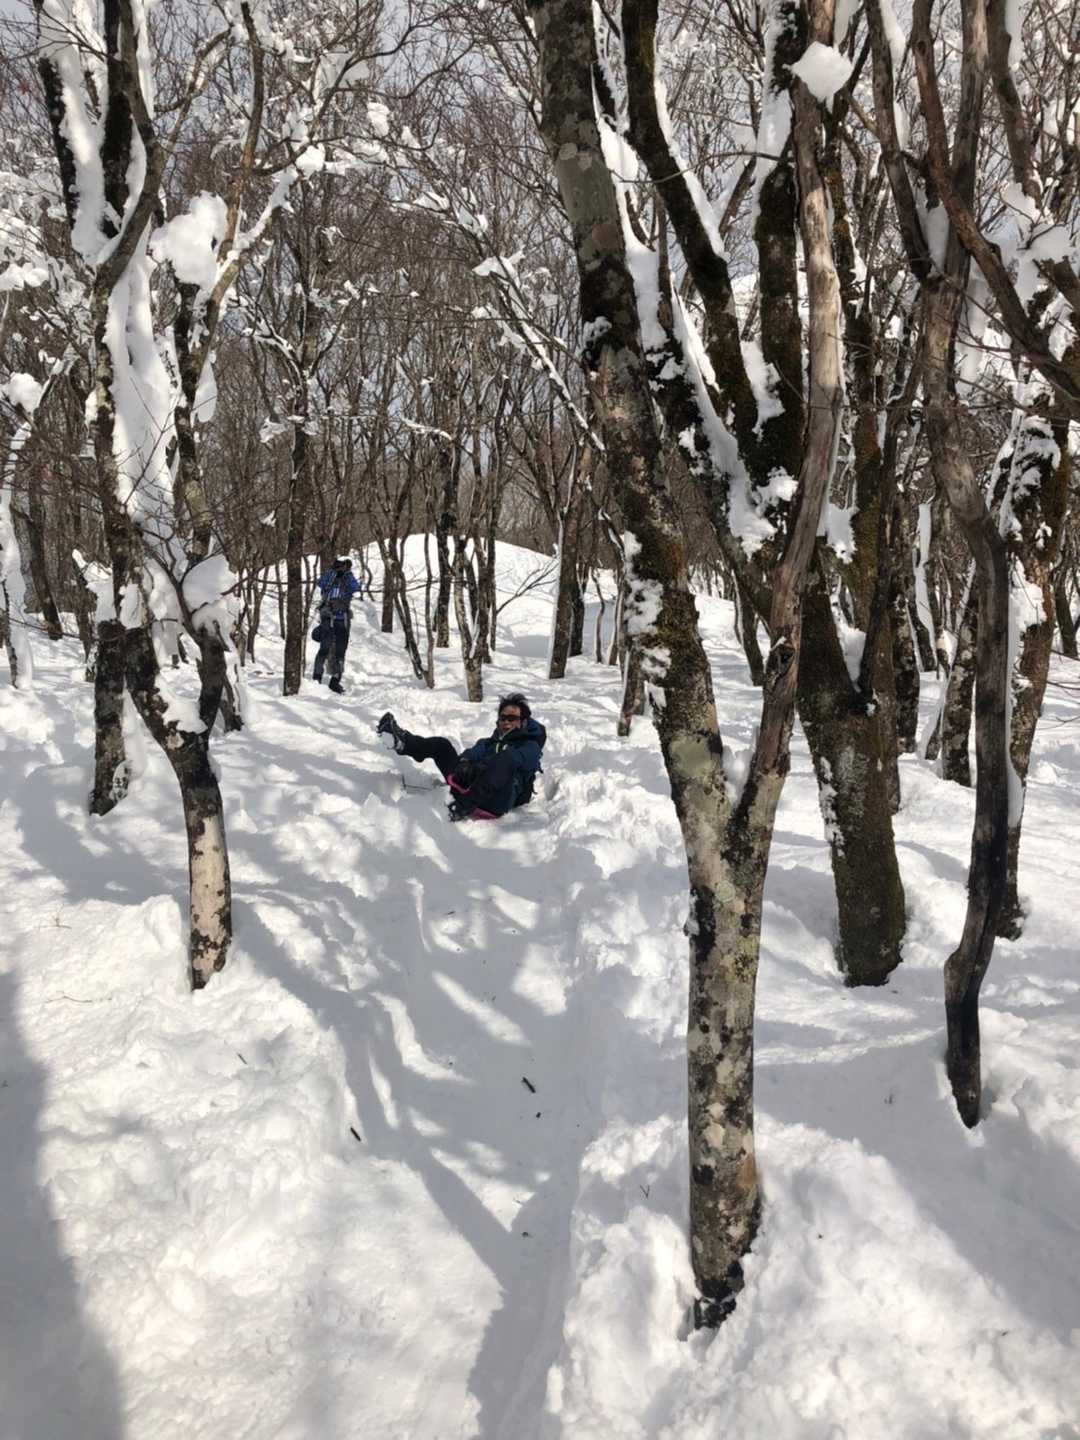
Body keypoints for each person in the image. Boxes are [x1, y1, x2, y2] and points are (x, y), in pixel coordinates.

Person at [376, 692, 546, 821]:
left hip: (496, 800)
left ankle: (464, 805)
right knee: (442, 745)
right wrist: (465, 762)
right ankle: (403, 742)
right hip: (470, 787)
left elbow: (507, 762)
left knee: (504, 760)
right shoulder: (489, 742)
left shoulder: (530, 746)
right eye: (503, 718)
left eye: (512, 718)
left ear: (523, 721)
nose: (507, 722)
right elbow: (474, 752)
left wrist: (467, 800)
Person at [312, 557, 360, 693]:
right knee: (324, 648)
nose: (341, 568)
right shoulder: (329, 577)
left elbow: (356, 588)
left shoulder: (348, 579)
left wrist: (347, 574)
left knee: (340, 651)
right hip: (328, 618)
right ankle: (316, 678)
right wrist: (333, 571)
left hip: (342, 618)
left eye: (343, 565)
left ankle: (335, 681)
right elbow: (320, 583)